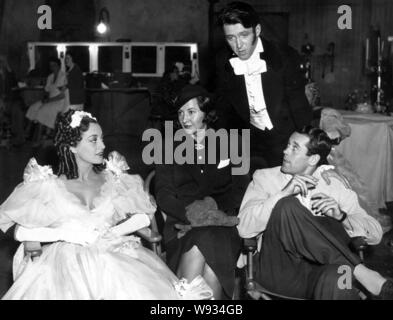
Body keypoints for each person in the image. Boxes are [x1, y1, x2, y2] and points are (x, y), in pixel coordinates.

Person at [0, 109, 212, 300]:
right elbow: (19, 231)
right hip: (65, 264)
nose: (102, 146)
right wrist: (68, 234)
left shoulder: (113, 178)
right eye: (93, 140)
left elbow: (142, 216)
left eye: (102, 138)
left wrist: (115, 231)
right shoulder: (48, 186)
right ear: (72, 146)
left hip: (114, 256)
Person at [238, 126, 393, 299]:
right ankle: (360, 271)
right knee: (287, 206)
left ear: (313, 159)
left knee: (341, 278)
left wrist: (342, 217)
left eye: (294, 148)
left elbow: (375, 233)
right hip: (280, 272)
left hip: (323, 272)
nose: (285, 151)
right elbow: (243, 228)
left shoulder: (333, 183)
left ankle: (352, 269)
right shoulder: (265, 178)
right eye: (288, 145)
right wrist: (281, 194)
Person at [155, 85, 250, 299]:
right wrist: (192, 214)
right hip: (182, 223)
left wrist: (212, 209)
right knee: (207, 254)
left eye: (191, 111)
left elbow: (240, 188)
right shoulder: (166, 147)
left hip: (221, 220)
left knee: (209, 244)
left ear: (206, 112)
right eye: (180, 113)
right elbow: (163, 194)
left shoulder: (231, 142)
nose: (184, 119)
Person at [215, 1, 312, 172]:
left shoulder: (284, 57)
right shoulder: (223, 62)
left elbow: (300, 109)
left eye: (244, 35)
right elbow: (224, 112)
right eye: (231, 38)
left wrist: (315, 156)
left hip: (284, 139)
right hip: (248, 141)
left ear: (257, 30)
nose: (238, 45)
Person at [25, 57, 67, 144]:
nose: (52, 67)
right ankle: (27, 133)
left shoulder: (64, 76)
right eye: (51, 66)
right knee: (33, 107)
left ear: (59, 66)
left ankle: (38, 139)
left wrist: (49, 100)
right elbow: (47, 91)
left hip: (58, 102)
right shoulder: (50, 77)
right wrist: (45, 99)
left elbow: (62, 95)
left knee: (42, 111)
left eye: (54, 65)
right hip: (50, 100)